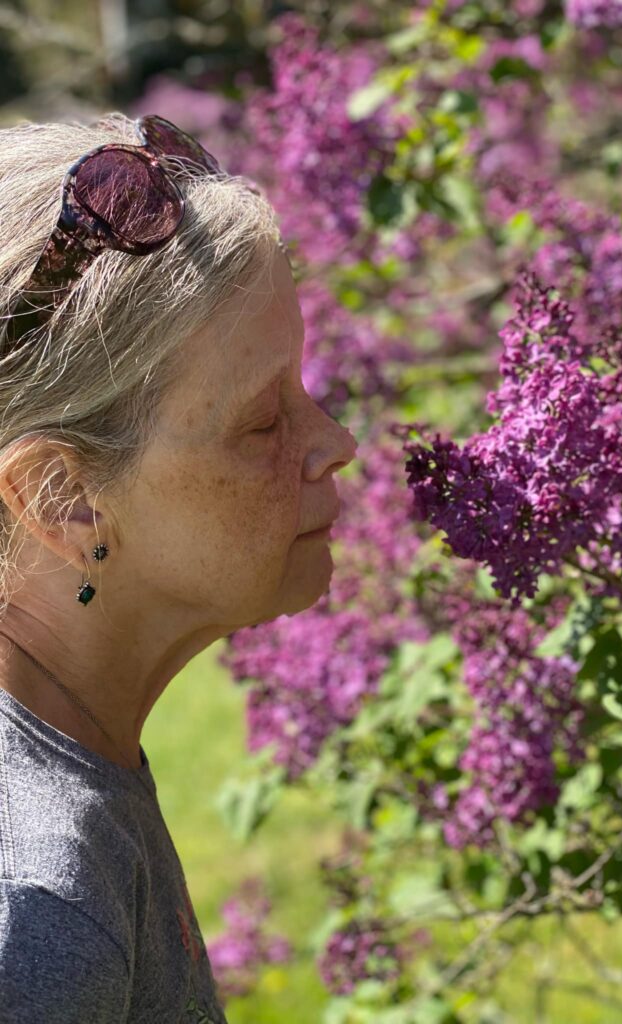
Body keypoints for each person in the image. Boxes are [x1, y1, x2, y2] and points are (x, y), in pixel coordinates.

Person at [0, 111, 357, 1023]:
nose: (337, 445)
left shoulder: (73, 772)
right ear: (62, 502)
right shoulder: (43, 927)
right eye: (264, 423)